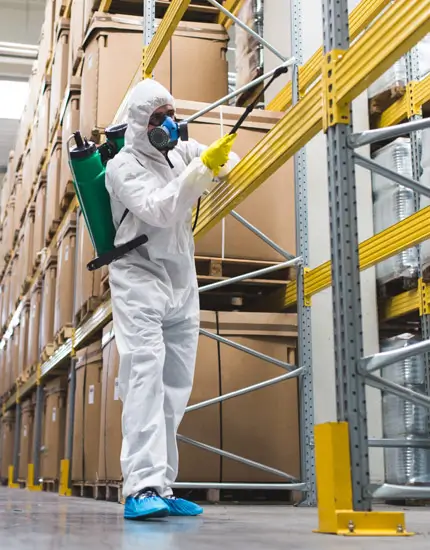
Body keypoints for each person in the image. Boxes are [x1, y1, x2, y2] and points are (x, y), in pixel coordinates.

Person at [105, 79, 239, 520]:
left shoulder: (179, 151)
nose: (166, 123)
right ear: (139, 123)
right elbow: (162, 207)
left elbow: (230, 162)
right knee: (144, 376)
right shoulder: (121, 167)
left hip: (181, 278)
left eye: (169, 114)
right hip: (138, 277)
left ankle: (162, 483)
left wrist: (216, 158)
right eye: (156, 117)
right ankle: (139, 488)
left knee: (176, 383)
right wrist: (201, 172)